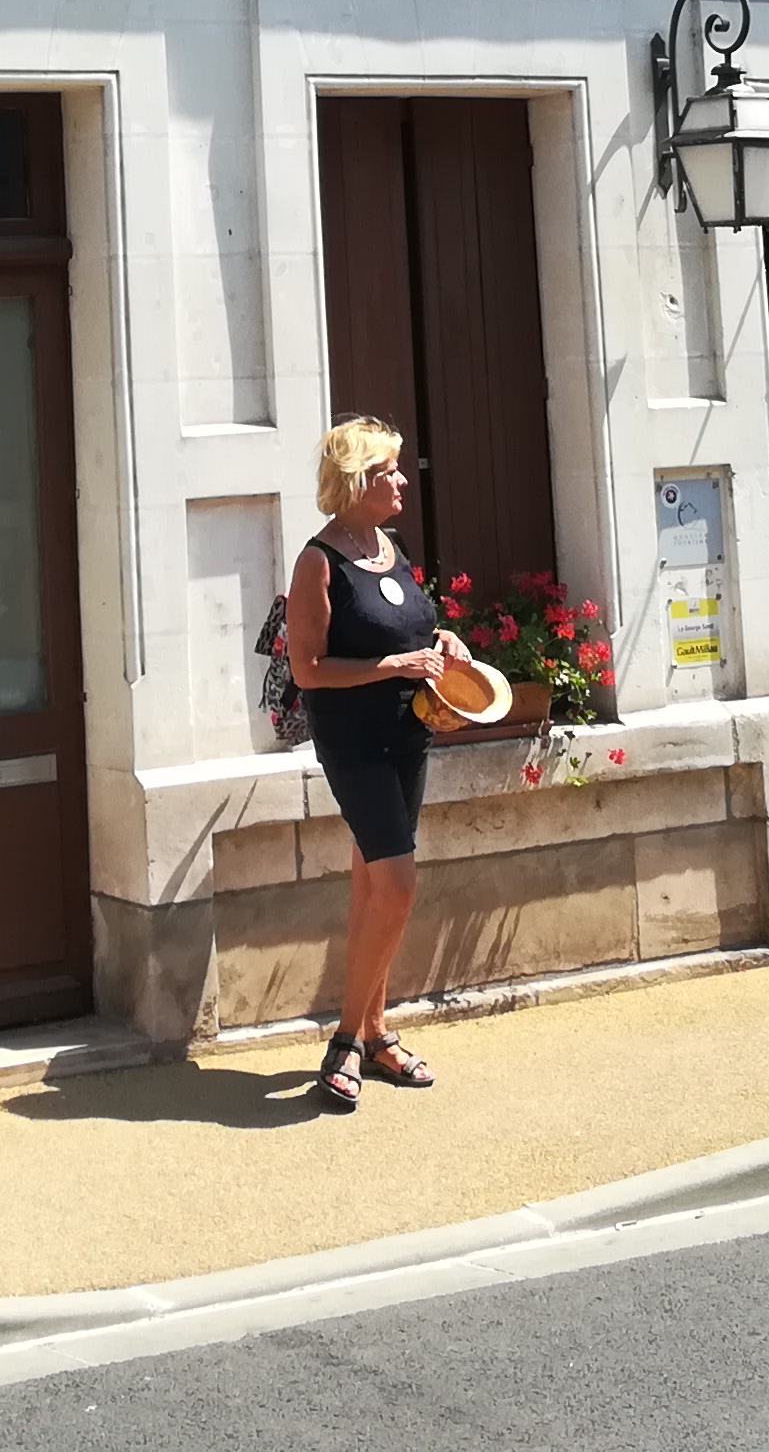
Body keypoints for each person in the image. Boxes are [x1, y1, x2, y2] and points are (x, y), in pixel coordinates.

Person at [281, 413, 471, 1108]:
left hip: (408, 733)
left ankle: (378, 1033)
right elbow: (307, 669)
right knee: (396, 888)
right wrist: (390, 666)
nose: (401, 482)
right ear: (356, 482)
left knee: (373, 890)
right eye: (388, 472)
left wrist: (444, 642)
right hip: (354, 743)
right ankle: (346, 1040)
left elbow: (413, 625)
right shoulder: (318, 562)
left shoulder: (392, 547)